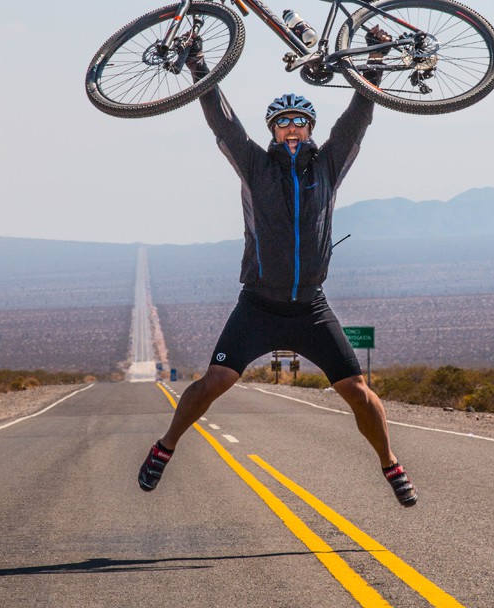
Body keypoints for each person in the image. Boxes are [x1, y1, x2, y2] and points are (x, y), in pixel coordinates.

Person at [137, 30, 417, 507]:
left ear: (310, 129)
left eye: (300, 122)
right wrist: (199, 65)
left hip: (310, 306)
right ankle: (165, 447)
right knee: (215, 383)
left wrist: (375, 61)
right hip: (259, 304)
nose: (292, 129)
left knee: (357, 389)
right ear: (272, 130)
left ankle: (390, 463)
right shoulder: (254, 166)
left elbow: (359, 117)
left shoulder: (328, 166)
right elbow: (222, 124)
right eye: (283, 122)